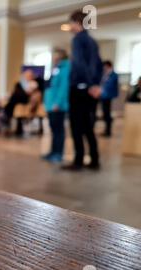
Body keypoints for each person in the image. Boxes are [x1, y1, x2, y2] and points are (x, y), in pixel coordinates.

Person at [62, 10, 103, 171]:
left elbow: (80, 65)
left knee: (76, 126)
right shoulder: (93, 42)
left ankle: (78, 160)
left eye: (71, 23)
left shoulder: (78, 40)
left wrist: (89, 84)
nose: (70, 26)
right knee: (88, 126)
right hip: (89, 90)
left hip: (80, 89)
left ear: (77, 23)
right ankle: (94, 159)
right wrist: (95, 84)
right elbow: (98, 66)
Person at [43, 49, 71, 163]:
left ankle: (58, 154)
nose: (53, 58)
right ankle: (53, 151)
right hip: (51, 104)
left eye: (55, 55)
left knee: (59, 130)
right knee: (54, 130)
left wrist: (57, 103)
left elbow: (63, 88)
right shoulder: (56, 68)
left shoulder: (65, 69)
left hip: (57, 105)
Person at [99, 61, 119, 137]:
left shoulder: (114, 75)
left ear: (108, 66)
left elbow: (108, 85)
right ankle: (106, 130)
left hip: (108, 97)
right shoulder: (105, 74)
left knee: (107, 114)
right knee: (105, 113)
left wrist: (101, 88)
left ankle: (108, 131)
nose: (104, 68)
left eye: (105, 66)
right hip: (103, 96)